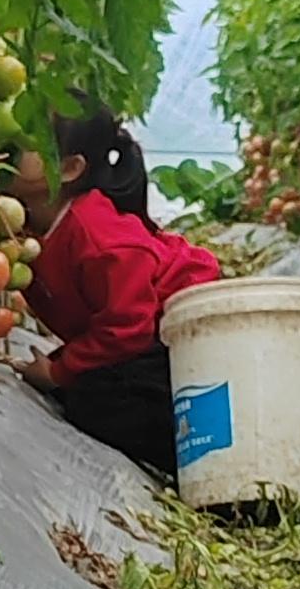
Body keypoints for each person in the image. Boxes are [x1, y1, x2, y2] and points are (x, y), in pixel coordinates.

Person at [15, 115, 220, 476]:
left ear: (70, 169)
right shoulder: (30, 224)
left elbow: (128, 326)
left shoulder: (97, 237)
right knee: (89, 391)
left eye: (27, 142)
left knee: (97, 404)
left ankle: (207, 463)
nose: (8, 149)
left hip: (189, 331)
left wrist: (59, 370)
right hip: (149, 335)